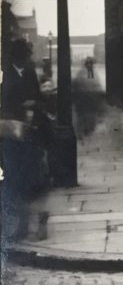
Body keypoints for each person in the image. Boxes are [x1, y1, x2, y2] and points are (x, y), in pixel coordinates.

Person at [1, 39, 49, 241]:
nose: (24, 61)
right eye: (22, 57)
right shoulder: (5, 75)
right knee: (14, 178)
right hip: (9, 134)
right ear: (15, 57)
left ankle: (31, 224)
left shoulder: (29, 73)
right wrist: (21, 106)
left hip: (29, 133)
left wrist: (34, 103)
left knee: (30, 177)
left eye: (26, 57)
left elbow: (38, 97)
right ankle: (20, 227)